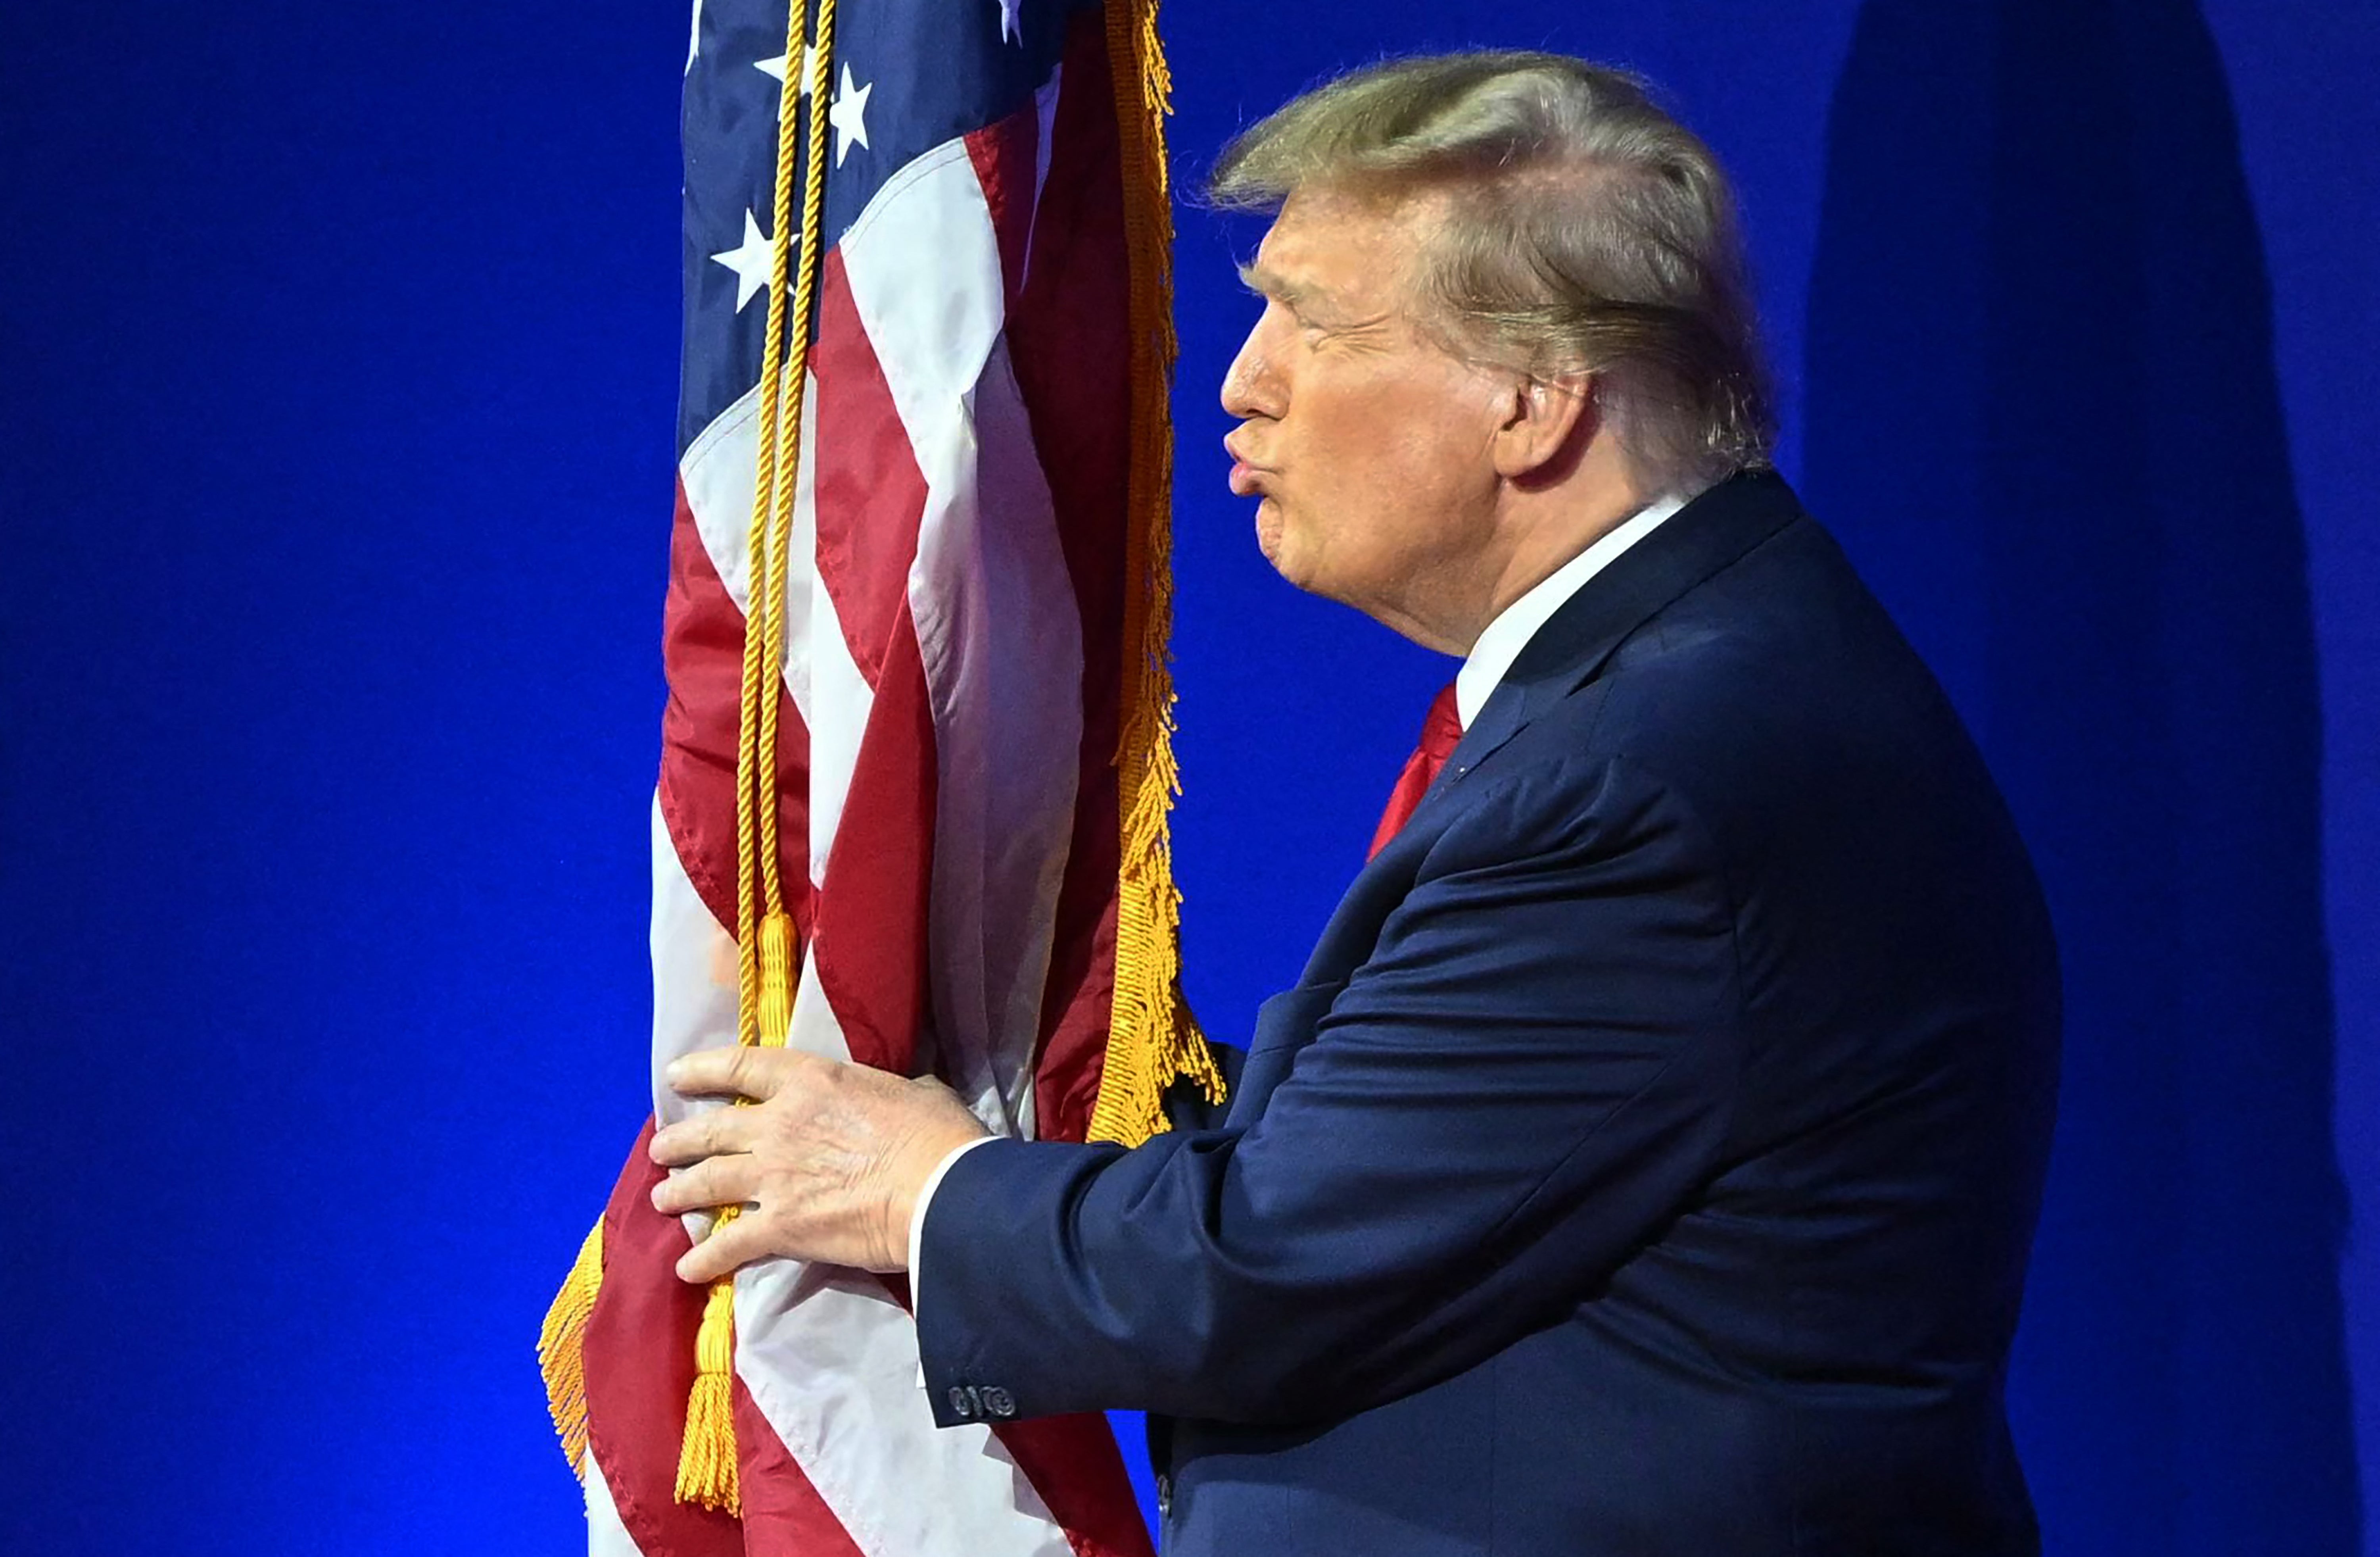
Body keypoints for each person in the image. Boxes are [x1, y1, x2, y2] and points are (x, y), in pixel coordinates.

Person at [646, 51, 2061, 1556]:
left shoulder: (1653, 782)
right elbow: (1476, 1166)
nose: (1242, 380)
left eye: (1310, 322)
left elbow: (1267, 1263)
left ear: (1532, 396)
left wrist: (921, 1190)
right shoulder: (1694, 688)